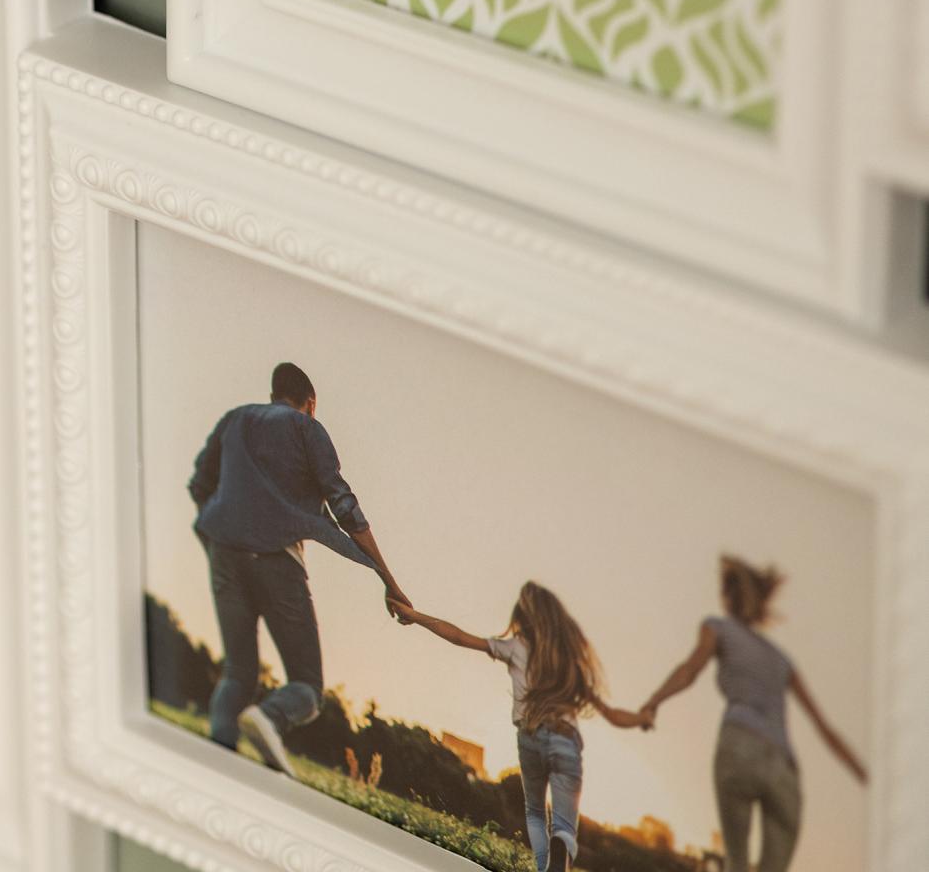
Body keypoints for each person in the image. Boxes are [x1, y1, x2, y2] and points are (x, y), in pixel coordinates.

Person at [188, 360, 410, 779]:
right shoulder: (307, 428)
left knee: (237, 676)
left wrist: (220, 545)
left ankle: (215, 773)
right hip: (278, 561)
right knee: (307, 689)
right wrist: (388, 580)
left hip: (224, 553)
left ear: (273, 395)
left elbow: (199, 485)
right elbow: (345, 508)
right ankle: (269, 717)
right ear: (310, 403)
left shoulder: (235, 419)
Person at [392, 581, 648, 872]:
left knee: (535, 812)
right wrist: (642, 718)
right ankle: (561, 844)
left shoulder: (516, 647)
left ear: (523, 616)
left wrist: (416, 616)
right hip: (565, 739)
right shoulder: (569, 662)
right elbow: (612, 715)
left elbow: (459, 637)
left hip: (531, 735)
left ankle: (543, 866)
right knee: (564, 824)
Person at [638, 555, 867, 872]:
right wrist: (868, 778)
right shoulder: (780, 659)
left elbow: (690, 670)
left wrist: (653, 702)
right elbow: (824, 728)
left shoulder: (717, 628)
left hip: (739, 745)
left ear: (728, 596)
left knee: (738, 863)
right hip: (782, 766)